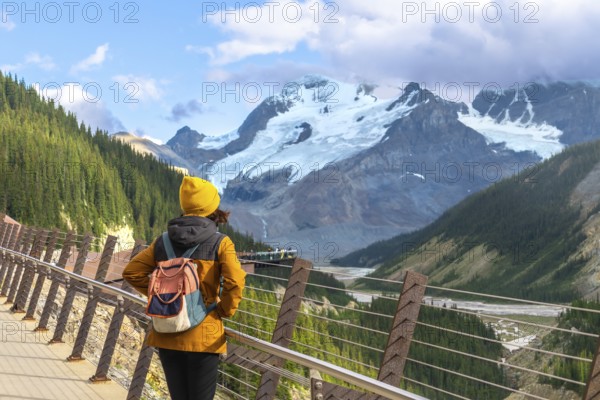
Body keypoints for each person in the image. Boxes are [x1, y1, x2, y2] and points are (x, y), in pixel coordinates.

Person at [123, 176, 246, 400]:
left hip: (167, 331)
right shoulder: (221, 243)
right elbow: (235, 282)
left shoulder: (162, 241)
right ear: (211, 206)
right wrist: (223, 310)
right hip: (204, 335)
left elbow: (131, 272)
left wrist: (163, 295)